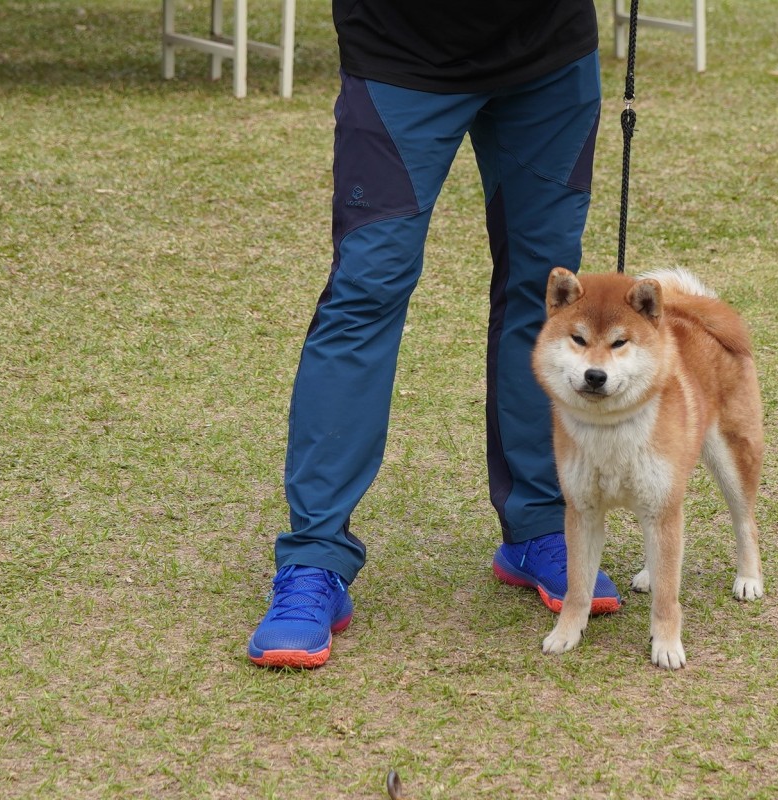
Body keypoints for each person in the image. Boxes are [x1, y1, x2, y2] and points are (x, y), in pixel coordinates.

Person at [247, 0, 622, 669]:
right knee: (365, 292)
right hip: (400, 50)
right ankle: (314, 561)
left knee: (547, 298)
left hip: (549, 51)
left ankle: (540, 525)